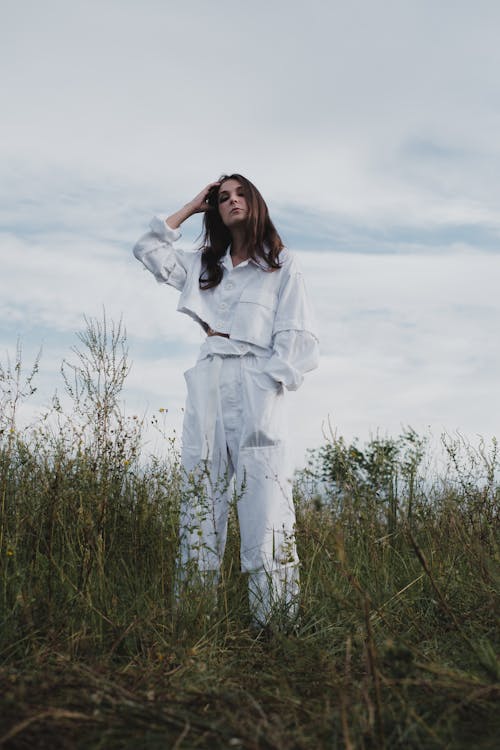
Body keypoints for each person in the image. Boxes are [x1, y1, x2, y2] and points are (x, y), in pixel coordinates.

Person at [133, 174, 319, 627]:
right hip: (210, 377)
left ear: (255, 203)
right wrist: (192, 206)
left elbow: (297, 335)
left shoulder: (280, 264)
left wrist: (268, 384)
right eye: (222, 198)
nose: (231, 202)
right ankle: (197, 620)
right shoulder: (205, 264)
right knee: (201, 494)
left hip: (257, 379)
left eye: (240, 194)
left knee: (267, 500)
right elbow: (149, 250)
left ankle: (274, 623)